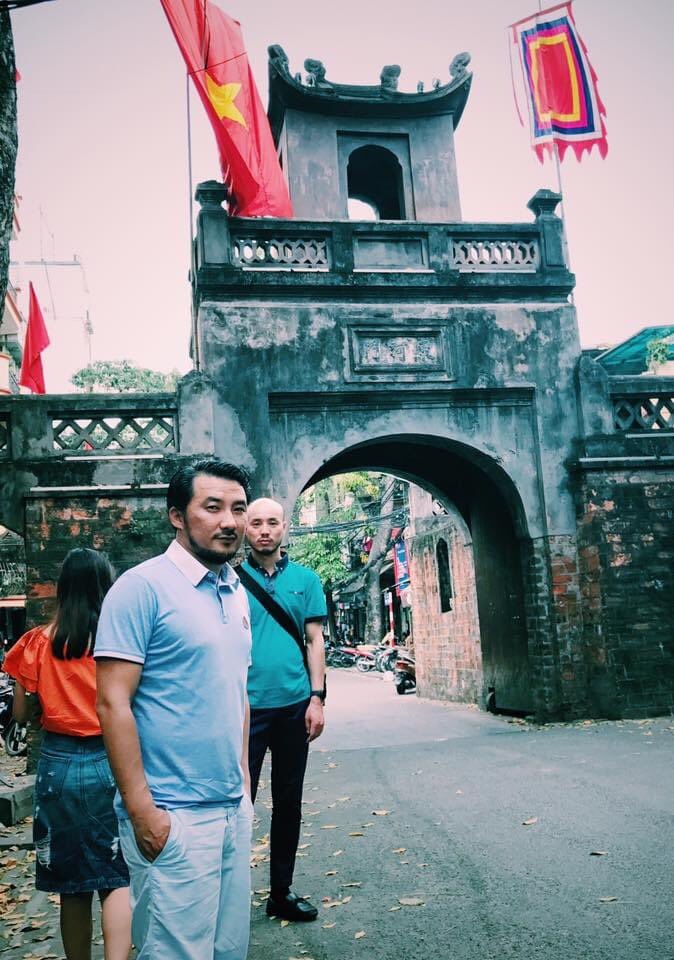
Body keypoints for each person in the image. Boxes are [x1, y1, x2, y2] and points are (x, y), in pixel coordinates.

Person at [94, 460, 254, 960]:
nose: (229, 521)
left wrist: (245, 789)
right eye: (213, 507)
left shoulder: (235, 589)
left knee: (229, 950)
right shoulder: (141, 588)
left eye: (238, 509)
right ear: (177, 516)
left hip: (231, 810)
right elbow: (112, 701)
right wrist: (143, 811)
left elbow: (237, 693)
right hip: (173, 815)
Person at [2, 548, 131, 960]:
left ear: (63, 589)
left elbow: (20, 713)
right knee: (116, 876)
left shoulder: (36, 643)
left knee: (71, 885)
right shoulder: (118, 643)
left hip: (57, 766)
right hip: (112, 759)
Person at [241, 497, 326, 922]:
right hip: (245, 709)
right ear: (245, 527)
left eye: (272, 522)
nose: (264, 530)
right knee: (239, 803)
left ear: (285, 527)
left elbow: (314, 641)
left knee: (288, 801)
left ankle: (281, 891)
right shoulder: (229, 581)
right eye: (256, 522)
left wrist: (317, 698)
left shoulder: (306, 580)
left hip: (294, 705)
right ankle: (231, 894)